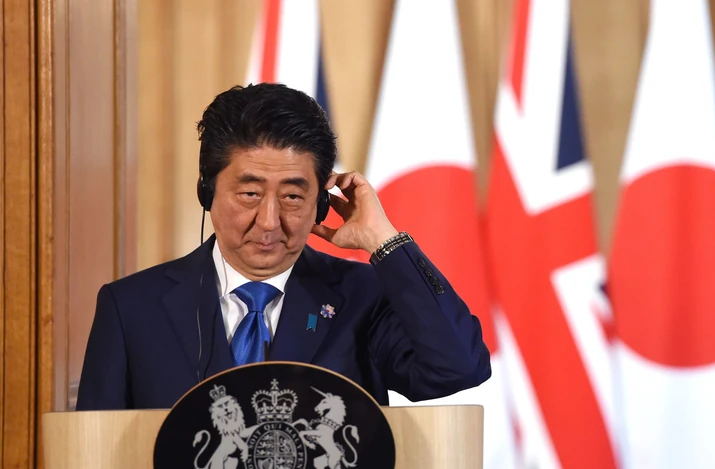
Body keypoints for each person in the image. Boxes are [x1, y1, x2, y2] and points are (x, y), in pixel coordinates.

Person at [75, 83, 491, 410]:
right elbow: (97, 454)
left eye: (293, 196)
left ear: (320, 204)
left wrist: (384, 241)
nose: (270, 221)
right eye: (250, 194)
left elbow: (459, 367)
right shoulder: (132, 308)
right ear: (207, 192)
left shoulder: (363, 296)